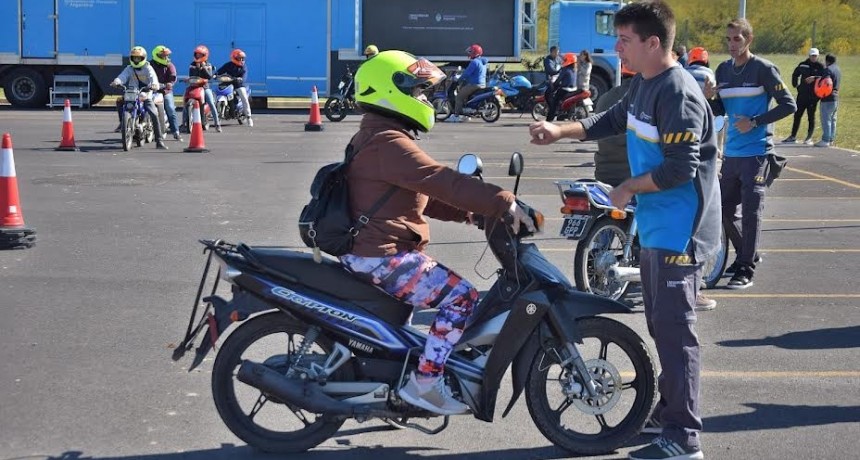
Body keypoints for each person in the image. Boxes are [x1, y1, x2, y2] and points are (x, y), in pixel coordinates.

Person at [529, 2, 721, 458]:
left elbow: (679, 169)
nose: (616, 48)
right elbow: (610, 121)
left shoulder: (678, 93)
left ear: (654, 43)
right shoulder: (643, 85)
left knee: (676, 334)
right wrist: (561, 130)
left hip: (680, 233)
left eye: (625, 40)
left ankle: (684, 438)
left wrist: (628, 187)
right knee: (660, 326)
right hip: (657, 229)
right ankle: (670, 411)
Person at [343, 49, 534, 415]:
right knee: (461, 298)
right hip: (382, 254)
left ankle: (399, 382)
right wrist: (503, 202)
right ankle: (425, 384)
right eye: (416, 91)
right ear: (389, 91)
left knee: (425, 310)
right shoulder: (388, 143)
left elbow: (416, 198)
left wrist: (474, 216)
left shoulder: (378, 135)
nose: (423, 98)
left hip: (376, 248)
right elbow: (439, 180)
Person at [707, 18, 796, 289]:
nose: (732, 44)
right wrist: (709, 97)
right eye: (729, 39)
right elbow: (720, 110)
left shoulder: (763, 70)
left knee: (751, 212)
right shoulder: (722, 69)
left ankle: (745, 267)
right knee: (721, 210)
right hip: (732, 154)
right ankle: (749, 252)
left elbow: (788, 105)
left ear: (749, 40)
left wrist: (755, 121)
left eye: (737, 39)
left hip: (757, 152)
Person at [110, 46, 168, 150]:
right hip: (133, 92)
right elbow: (122, 76)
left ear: (143, 58)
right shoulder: (129, 68)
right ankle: (123, 123)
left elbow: (153, 77)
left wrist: (154, 85)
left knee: (153, 113)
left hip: (146, 93)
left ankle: (159, 140)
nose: (136, 60)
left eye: (138, 58)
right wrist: (116, 82)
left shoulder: (148, 67)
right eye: (134, 58)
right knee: (120, 102)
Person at [783, 47, 824, 144]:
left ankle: (808, 138)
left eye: (815, 56)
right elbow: (795, 74)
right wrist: (796, 85)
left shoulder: (820, 66)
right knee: (797, 115)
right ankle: (793, 136)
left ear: (817, 56)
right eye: (812, 55)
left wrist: (815, 77)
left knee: (811, 117)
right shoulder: (803, 65)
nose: (813, 57)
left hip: (814, 96)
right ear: (809, 55)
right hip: (802, 95)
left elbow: (826, 78)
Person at [184, 45, 221, 133]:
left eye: (200, 55)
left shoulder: (208, 64)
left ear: (205, 55)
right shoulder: (192, 64)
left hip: (205, 87)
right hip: (194, 86)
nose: (198, 56)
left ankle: (217, 124)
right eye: (197, 54)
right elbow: (191, 75)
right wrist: (197, 67)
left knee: (211, 103)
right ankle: (184, 122)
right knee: (185, 101)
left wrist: (203, 67)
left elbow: (209, 76)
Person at [447, 44, 487, 123]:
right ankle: (466, 115)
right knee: (465, 96)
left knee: (459, 97)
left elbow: (466, 74)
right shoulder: (483, 62)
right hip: (482, 84)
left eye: (471, 52)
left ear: (475, 53)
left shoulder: (474, 62)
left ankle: (456, 116)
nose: (469, 54)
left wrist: (458, 78)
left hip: (474, 85)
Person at [149, 45, 181, 141]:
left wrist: (170, 83)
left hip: (165, 91)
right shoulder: (149, 65)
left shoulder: (169, 65)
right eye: (163, 56)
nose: (166, 57)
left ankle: (176, 132)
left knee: (170, 108)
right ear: (156, 55)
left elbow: (173, 76)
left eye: (166, 56)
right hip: (151, 90)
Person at [216, 49, 254, 127]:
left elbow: (244, 76)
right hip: (228, 84)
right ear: (234, 57)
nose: (241, 60)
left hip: (238, 85)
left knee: (244, 98)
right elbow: (220, 71)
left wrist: (240, 79)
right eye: (239, 58)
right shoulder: (228, 65)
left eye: (242, 58)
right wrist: (215, 75)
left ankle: (249, 117)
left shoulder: (243, 67)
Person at [816, 53, 840, 147]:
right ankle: (831, 139)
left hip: (827, 98)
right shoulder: (838, 69)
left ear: (827, 61)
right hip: (835, 97)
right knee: (833, 119)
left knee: (826, 119)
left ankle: (825, 140)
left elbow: (826, 82)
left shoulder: (828, 70)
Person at [545, 52, 577, 122]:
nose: (564, 61)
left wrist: (554, 85)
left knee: (554, 103)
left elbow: (559, 79)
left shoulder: (565, 70)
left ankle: (549, 119)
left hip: (565, 90)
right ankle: (562, 115)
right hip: (573, 89)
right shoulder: (575, 70)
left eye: (565, 59)